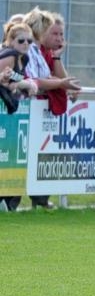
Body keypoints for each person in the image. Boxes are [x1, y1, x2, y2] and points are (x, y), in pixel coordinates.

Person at [23, 7, 81, 209]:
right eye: (53, 33)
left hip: (43, 112)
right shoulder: (31, 50)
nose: (58, 38)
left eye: (61, 34)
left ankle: (40, 199)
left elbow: (56, 79)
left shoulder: (47, 53)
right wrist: (62, 85)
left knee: (43, 154)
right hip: (29, 108)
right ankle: (11, 201)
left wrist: (63, 83)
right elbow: (37, 80)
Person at [0, 22, 38, 211]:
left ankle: (6, 202)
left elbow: (9, 80)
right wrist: (24, 84)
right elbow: (3, 76)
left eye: (29, 41)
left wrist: (19, 84)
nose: (25, 44)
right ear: (10, 41)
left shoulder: (25, 58)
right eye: (21, 40)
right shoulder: (10, 55)